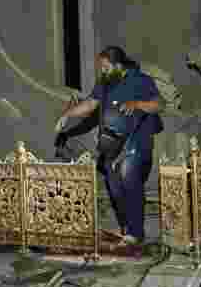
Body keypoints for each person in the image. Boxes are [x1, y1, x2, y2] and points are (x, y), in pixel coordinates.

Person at [55, 46, 164, 250]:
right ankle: (126, 228)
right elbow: (90, 104)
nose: (102, 71)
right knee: (114, 186)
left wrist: (137, 104)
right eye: (101, 68)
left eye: (106, 67)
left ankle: (135, 233)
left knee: (128, 177)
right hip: (111, 143)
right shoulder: (105, 82)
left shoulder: (141, 80)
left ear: (119, 65)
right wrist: (67, 115)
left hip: (135, 141)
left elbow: (159, 104)